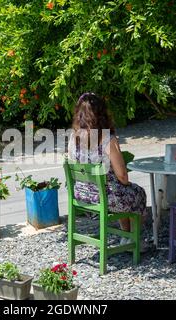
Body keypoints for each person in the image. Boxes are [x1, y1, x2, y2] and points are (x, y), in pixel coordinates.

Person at [68, 92, 148, 247]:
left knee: (122, 193)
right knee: (137, 192)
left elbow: (73, 165)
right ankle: (135, 239)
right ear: (102, 114)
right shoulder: (107, 140)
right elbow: (123, 176)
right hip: (104, 197)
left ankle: (126, 237)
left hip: (82, 195)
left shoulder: (73, 138)